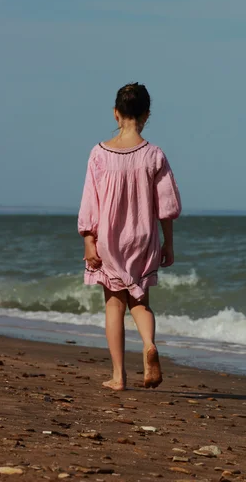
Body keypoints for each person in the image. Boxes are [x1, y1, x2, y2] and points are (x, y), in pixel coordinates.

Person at [78, 83, 181, 391]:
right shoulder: (154, 155)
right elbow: (167, 205)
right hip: (143, 236)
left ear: (116, 113)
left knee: (114, 305)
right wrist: (168, 244)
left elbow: (90, 201)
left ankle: (119, 376)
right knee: (141, 303)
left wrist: (88, 238)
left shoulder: (99, 153)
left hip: (109, 238)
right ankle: (149, 344)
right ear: (146, 115)